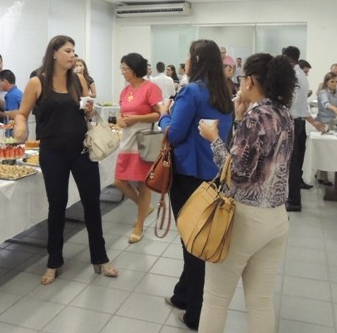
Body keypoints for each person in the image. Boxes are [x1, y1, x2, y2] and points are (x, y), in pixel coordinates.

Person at [197, 53, 296, 333]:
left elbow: (238, 172)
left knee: (216, 299)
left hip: (245, 218)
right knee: (260, 300)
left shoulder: (257, 116)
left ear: (250, 81)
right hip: (276, 218)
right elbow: (260, 158)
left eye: (241, 78)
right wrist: (240, 117)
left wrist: (213, 139)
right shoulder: (284, 114)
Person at [13, 35, 117, 285]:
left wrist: (90, 110)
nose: (73, 55)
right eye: (68, 51)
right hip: (53, 153)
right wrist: (20, 127)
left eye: (74, 51)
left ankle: (100, 257)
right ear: (54, 53)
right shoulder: (37, 82)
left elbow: (87, 113)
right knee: (57, 206)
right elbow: (22, 113)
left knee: (92, 203)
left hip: (81, 150)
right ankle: (54, 261)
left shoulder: (78, 80)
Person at [158, 39, 234, 331]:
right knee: (196, 236)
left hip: (188, 175)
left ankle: (196, 313)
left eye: (188, 56)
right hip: (213, 174)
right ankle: (182, 294)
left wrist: (164, 115)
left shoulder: (191, 91)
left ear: (197, 59)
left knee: (191, 242)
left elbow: (174, 134)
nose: (185, 61)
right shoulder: (223, 92)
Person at [114, 53, 162, 243]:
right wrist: (120, 119)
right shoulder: (125, 91)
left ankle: (139, 226)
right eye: (121, 69)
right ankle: (144, 206)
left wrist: (137, 119)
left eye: (125, 69)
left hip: (143, 143)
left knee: (143, 184)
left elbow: (158, 114)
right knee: (119, 181)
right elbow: (121, 112)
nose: (122, 72)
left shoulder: (151, 88)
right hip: (126, 142)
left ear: (134, 69)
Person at [282, 46, 324, 210]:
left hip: (293, 121)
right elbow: (301, 106)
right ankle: (293, 196)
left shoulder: (295, 76)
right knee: (294, 161)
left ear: (288, 58)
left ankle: (294, 200)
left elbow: (293, 104)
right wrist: (313, 121)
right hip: (297, 121)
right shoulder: (301, 75)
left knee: (291, 163)